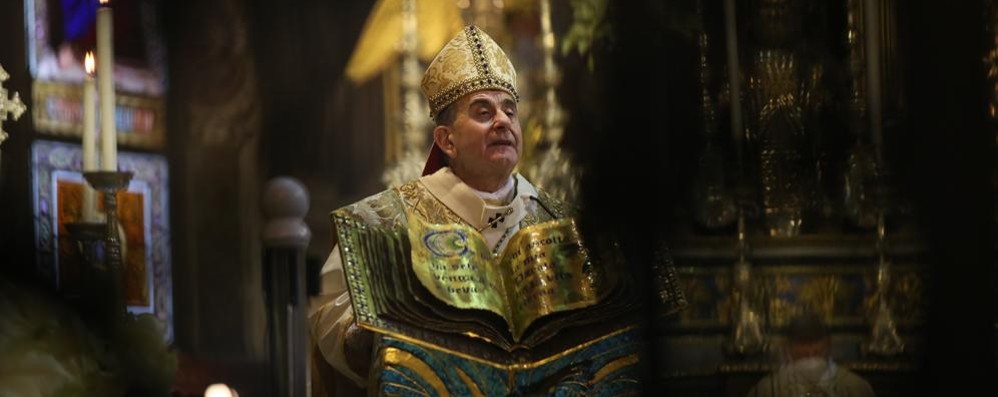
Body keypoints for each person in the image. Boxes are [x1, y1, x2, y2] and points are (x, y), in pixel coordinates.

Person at [308, 25, 682, 396]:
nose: (502, 121)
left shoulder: (564, 224)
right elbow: (328, 314)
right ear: (446, 140)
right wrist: (363, 335)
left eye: (510, 111)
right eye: (483, 112)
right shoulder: (386, 222)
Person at [748, 314, 876, 397]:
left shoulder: (856, 387)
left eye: (815, 351)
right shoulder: (766, 390)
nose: (810, 354)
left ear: (829, 346)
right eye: (803, 351)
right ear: (787, 349)